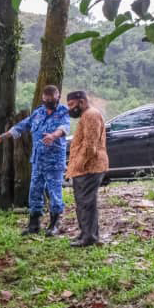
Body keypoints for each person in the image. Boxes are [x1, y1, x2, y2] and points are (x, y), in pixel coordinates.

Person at [0, 85, 71, 236]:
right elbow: (21, 126)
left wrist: (53, 135)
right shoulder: (38, 112)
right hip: (38, 160)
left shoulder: (63, 112)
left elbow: (64, 128)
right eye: (47, 99)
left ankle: (55, 224)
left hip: (54, 161)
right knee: (34, 191)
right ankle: (34, 225)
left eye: (53, 98)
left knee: (54, 192)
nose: (50, 101)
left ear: (58, 97)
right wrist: (2, 137)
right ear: (43, 98)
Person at [65, 90, 108, 247]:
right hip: (85, 167)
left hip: (90, 167)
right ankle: (86, 234)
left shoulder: (90, 115)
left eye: (71, 105)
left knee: (86, 203)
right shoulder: (87, 115)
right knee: (83, 202)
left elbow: (90, 145)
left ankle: (89, 237)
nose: (69, 109)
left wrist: (78, 165)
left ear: (81, 101)